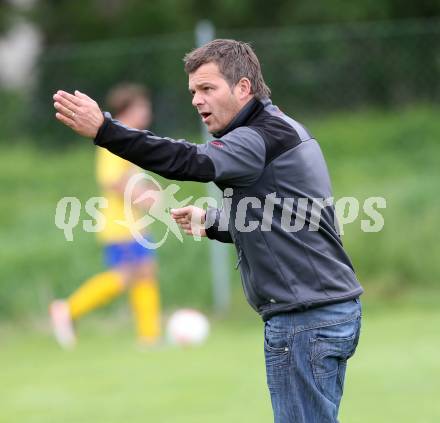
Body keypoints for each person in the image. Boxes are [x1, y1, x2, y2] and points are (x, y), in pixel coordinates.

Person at [53, 39, 363, 422]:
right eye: (193, 92)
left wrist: (106, 130)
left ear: (244, 88)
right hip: (329, 310)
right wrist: (214, 222)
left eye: (208, 89)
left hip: (305, 320)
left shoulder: (255, 137)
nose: (198, 100)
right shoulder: (283, 128)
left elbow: (189, 160)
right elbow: (284, 217)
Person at [50, 83, 161, 349]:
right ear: (129, 109)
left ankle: (150, 337)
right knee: (125, 275)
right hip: (120, 224)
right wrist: (143, 197)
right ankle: (68, 309)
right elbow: (112, 180)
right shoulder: (114, 138)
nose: (147, 112)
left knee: (144, 273)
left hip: (133, 224)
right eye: (142, 107)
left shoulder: (130, 137)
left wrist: (148, 193)